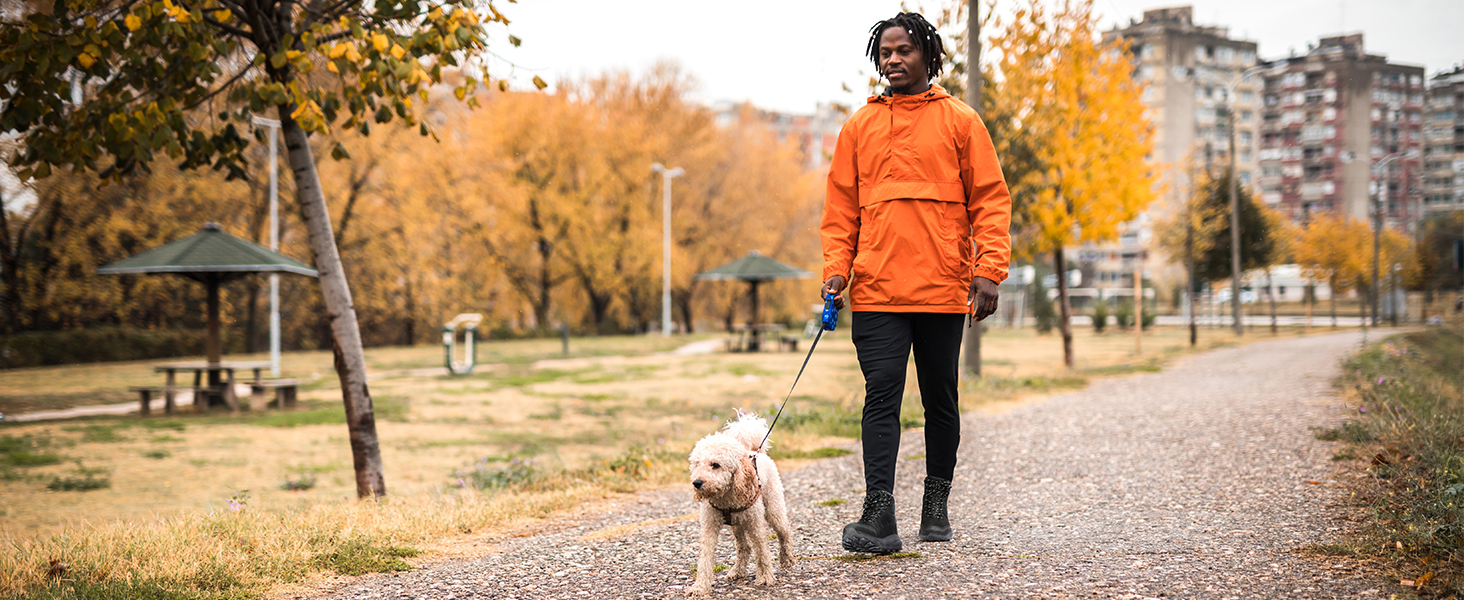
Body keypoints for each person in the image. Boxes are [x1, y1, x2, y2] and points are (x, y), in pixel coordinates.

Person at [821, 11, 1012, 554]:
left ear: (928, 53)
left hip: (941, 287)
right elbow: (840, 211)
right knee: (881, 396)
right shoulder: (858, 126)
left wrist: (988, 271)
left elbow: (991, 201)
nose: (892, 59)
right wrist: (836, 269)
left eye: (903, 49)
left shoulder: (961, 121)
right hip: (878, 289)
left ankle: (936, 510)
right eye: (884, 52)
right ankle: (879, 517)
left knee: (940, 401)